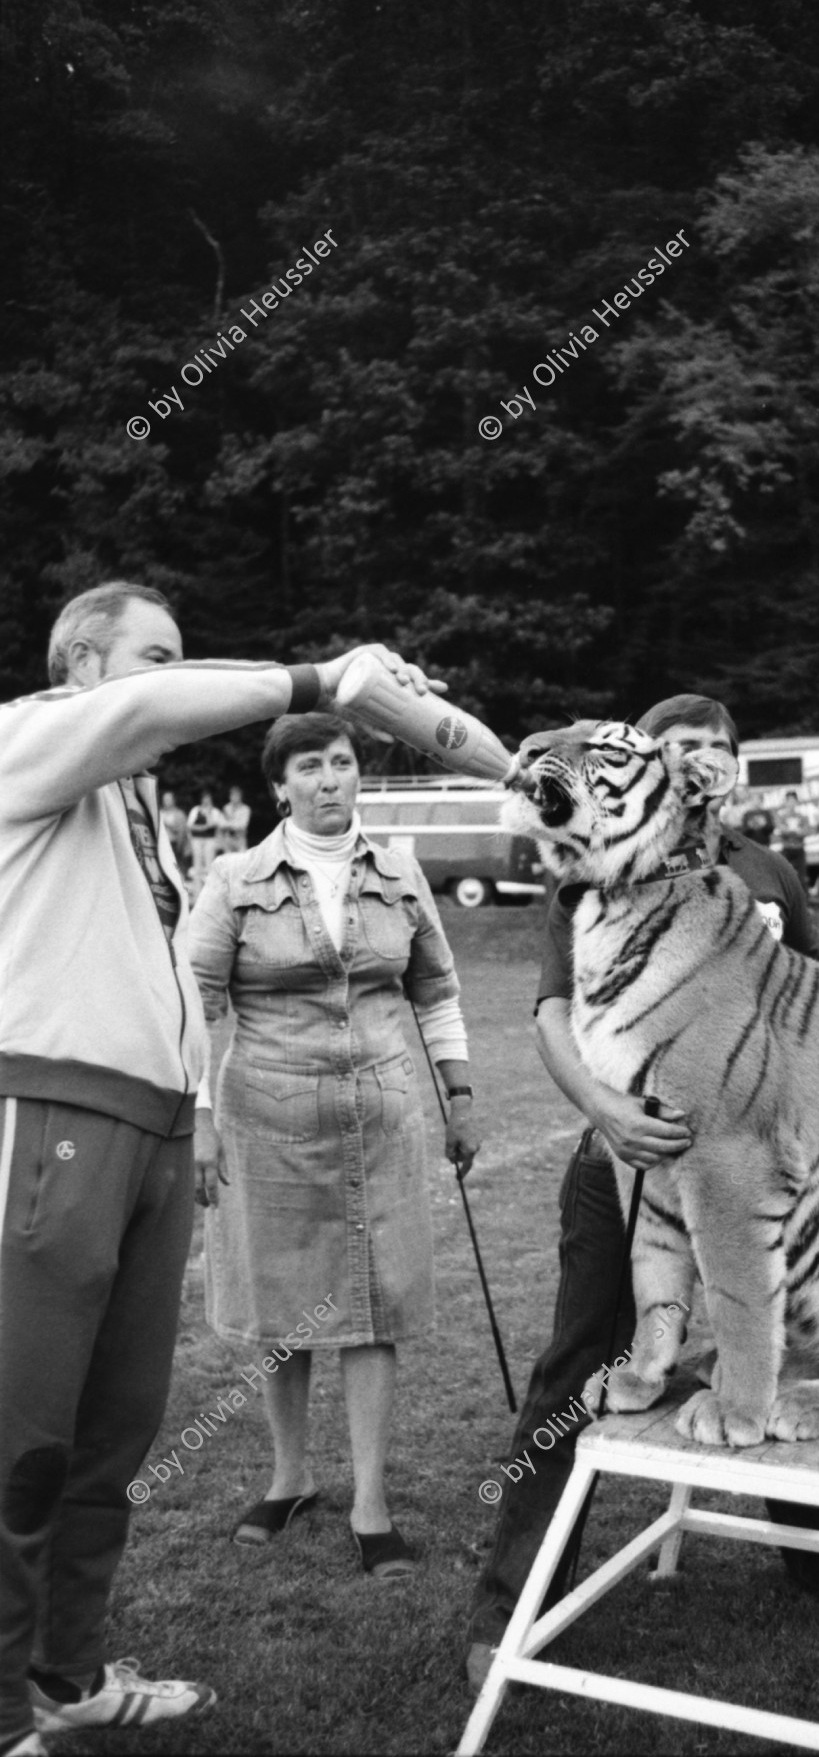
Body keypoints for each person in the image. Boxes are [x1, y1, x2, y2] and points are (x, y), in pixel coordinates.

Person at [0, 578, 436, 1755]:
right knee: (20, 1434)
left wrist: (191, 1115)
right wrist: (322, 681)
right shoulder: (26, 740)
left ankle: (68, 1674)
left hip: (149, 1134)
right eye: (152, 656)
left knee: (113, 1434)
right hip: (52, 1115)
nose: (174, 678)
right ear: (81, 663)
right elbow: (153, 718)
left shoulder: (130, 816)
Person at [465, 694, 819, 1695]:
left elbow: (817, 1002)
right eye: (684, 746)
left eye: (722, 747)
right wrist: (608, 1113)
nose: (706, 759)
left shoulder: (769, 869)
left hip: (759, 1167)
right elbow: (553, 1017)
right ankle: (512, 1601)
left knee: (778, 1351)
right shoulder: (602, 855)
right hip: (628, 1165)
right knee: (576, 1371)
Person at [189, 715, 479, 1579]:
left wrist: (459, 1095)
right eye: (308, 766)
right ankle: (287, 1479)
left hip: (383, 1121)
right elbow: (196, 1003)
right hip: (266, 1123)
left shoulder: (400, 873)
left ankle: (370, 1500)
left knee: (372, 1304)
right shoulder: (234, 878)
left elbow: (436, 994)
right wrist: (200, 1119)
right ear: (279, 784)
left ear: (359, 777)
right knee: (283, 1310)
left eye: (342, 763)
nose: (328, 779)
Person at [187, 789, 223, 896]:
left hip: (210, 840)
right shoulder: (195, 810)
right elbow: (190, 825)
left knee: (209, 866)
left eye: (208, 799)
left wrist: (208, 813)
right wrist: (203, 828)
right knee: (197, 866)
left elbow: (214, 824)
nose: (206, 801)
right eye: (204, 799)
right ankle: (197, 893)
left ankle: (210, 893)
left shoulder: (215, 811)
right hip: (197, 840)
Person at [776, 791, 809, 882]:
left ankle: (803, 895)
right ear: (785, 802)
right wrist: (796, 830)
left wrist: (791, 830)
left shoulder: (802, 817)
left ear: (797, 802)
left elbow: (805, 831)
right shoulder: (781, 816)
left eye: (793, 801)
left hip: (799, 848)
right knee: (786, 874)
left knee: (801, 875)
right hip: (787, 848)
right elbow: (782, 830)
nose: (791, 804)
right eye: (789, 801)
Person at [159, 788, 190, 877]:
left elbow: (182, 831)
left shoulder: (179, 814)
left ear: (173, 800)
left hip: (175, 844)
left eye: (168, 799)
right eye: (165, 799)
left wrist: (180, 846)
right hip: (161, 844)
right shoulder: (160, 813)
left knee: (177, 868)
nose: (166, 801)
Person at [216, 784, 251, 855]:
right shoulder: (226, 808)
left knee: (241, 860)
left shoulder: (246, 809)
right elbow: (221, 824)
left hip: (240, 838)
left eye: (236, 795)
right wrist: (233, 824)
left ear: (240, 796)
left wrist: (228, 824)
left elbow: (243, 825)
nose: (234, 797)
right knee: (228, 862)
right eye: (232, 795)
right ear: (230, 796)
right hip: (228, 838)